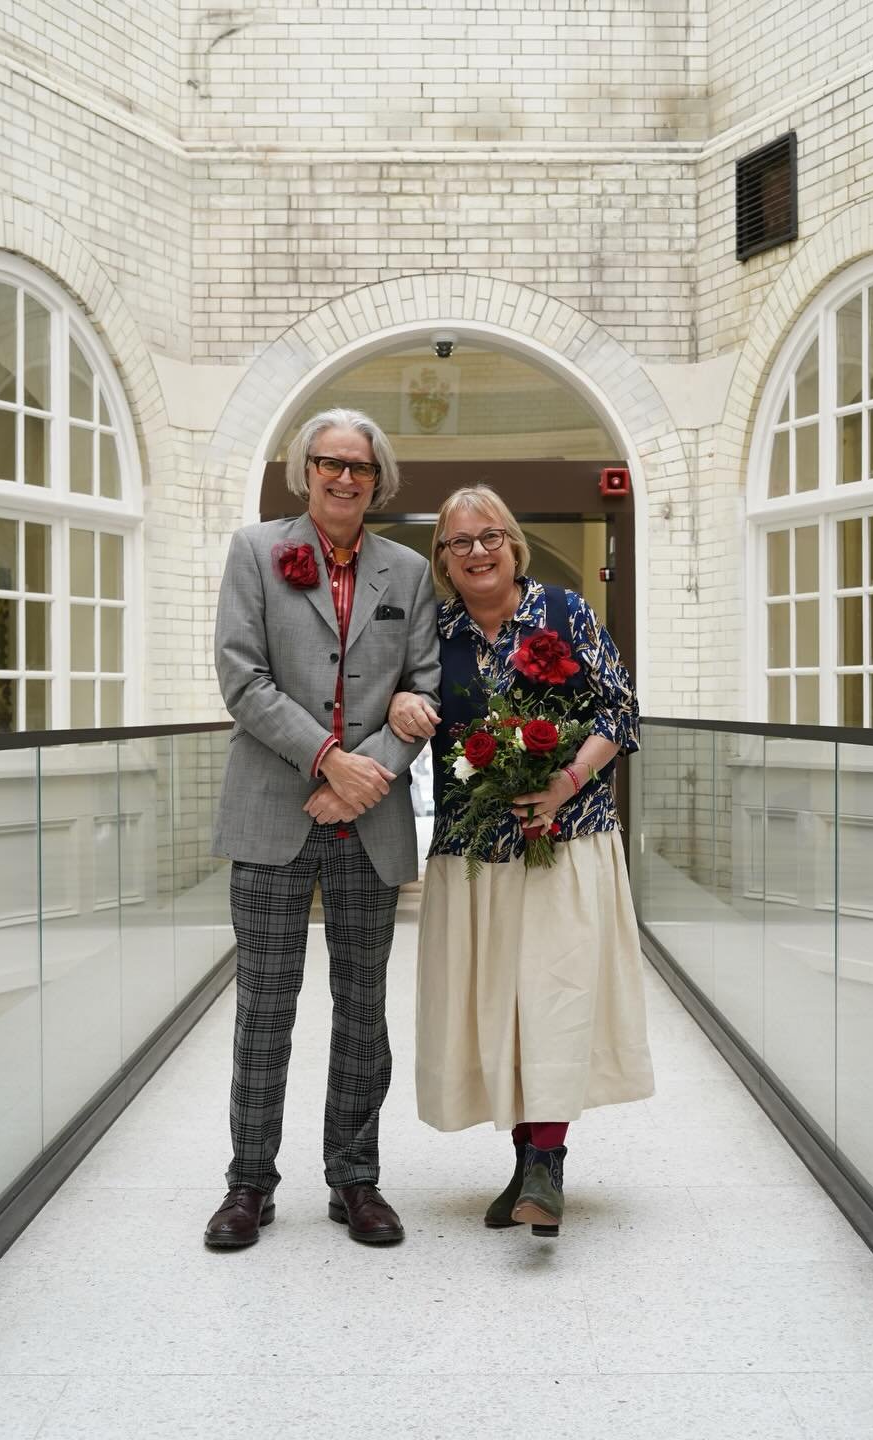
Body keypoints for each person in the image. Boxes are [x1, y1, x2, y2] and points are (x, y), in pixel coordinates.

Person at [388, 484, 654, 1238]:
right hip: (475, 851)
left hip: (565, 843)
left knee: (554, 1000)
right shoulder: (433, 634)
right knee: (500, 1006)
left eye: (489, 536)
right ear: (442, 559)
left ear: (513, 543)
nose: (476, 551)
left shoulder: (565, 612)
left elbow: (618, 709)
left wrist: (566, 780)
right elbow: (400, 703)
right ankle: (525, 1165)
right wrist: (398, 705)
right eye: (458, 542)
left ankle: (546, 1165)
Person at [205, 407, 440, 1250]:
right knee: (264, 1009)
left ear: (379, 481)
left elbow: (423, 688)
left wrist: (362, 776)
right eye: (330, 463)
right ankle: (248, 1185)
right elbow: (242, 677)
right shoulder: (255, 552)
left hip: (367, 822)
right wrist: (327, 760)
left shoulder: (408, 572)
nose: (346, 478)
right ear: (304, 472)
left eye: (362, 467)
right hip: (274, 812)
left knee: (362, 1008)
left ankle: (356, 1179)